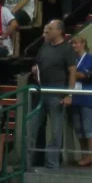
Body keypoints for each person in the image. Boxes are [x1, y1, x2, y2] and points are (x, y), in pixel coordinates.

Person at [30, 20, 74, 170]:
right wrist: (35, 70)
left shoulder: (67, 48)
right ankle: (28, 162)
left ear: (60, 31)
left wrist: (70, 94)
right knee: (32, 128)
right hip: (41, 91)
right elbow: (38, 63)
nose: (47, 31)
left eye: (51, 28)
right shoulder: (44, 47)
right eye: (47, 28)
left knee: (56, 131)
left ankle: (52, 164)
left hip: (57, 93)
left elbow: (72, 72)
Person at [65, 34, 92, 167]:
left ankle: (89, 156)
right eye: (72, 44)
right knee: (78, 128)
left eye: (76, 43)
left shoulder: (89, 58)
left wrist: (71, 73)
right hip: (74, 96)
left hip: (86, 96)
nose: (74, 46)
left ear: (83, 43)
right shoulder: (73, 59)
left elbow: (83, 74)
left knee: (87, 128)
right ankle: (84, 155)